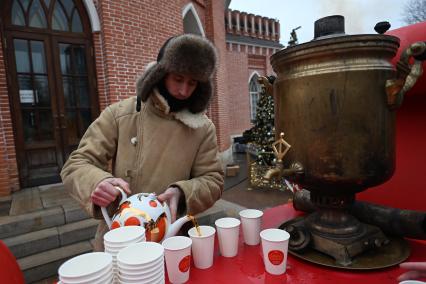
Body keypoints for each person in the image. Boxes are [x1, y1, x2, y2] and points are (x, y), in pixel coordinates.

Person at [61, 34, 224, 251]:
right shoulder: (120, 114)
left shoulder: (203, 128)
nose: (184, 91)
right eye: (177, 78)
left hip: (171, 241)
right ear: (161, 73)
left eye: (192, 83)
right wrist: (97, 182)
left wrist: (182, 193)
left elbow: (213, 180)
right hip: (119, 238)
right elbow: (77, 163)